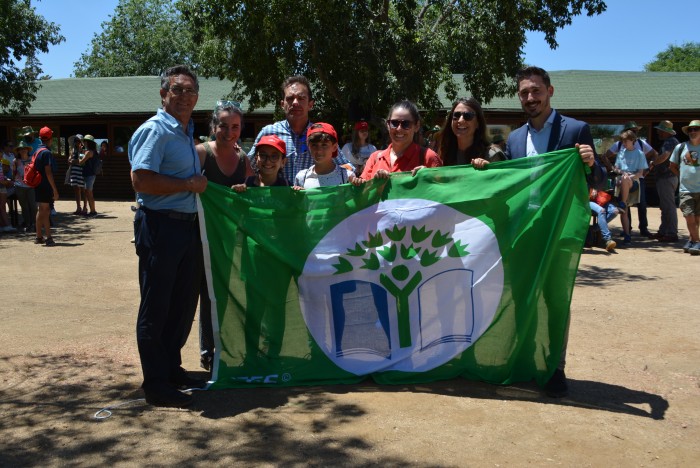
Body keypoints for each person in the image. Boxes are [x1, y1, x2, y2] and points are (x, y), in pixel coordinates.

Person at [505, 66, 604, 398]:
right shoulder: (515, 138)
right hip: (525, 229)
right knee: (522, 297)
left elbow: (598, 181)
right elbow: (507, 182)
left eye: (535, 91)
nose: (530, 98)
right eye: (524, 93)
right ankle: (526, 361)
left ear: (550, 91)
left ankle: (554, 368)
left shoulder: (576, 129)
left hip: (559, 230)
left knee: (556, 299)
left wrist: (592, 163)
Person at [128, 64, 208, 408]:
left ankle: (171, 367)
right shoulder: (156, 130)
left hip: (185, 227)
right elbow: (141, 181)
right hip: (160, 225)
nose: (184, 96)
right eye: (177, 90)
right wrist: (187, 185)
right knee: (157, 303)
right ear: (164, 94)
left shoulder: (184, 132)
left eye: (190, 91)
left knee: (182, 302)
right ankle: (156, 382)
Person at [195, 101, 253, 371]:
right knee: (207, 294)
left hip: (234, 238)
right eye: (223, 126)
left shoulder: (244, 159)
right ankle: (208, 351)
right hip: (203, 237)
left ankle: (230, 344)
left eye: (235, 127)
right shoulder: (202, 153)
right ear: (213, 127)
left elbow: (256, 192)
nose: (229, 132)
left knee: (231, 292)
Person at [247, 75, 353, 184]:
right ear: (282, 104)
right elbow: (248, 165)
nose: (295, 103)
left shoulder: (320, 134)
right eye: (290, 98)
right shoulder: (268, 132)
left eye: (301, 98)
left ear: (310, 104)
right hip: (278, 199)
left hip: (310, 199)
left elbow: (347, 167)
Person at [352, 100, 442, 185]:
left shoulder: (429, 158)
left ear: (416, 126)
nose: (399, 128)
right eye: (394, 123)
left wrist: (428, 177)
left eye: (406, 124)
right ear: (388, 125)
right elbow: (362, 196)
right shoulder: (375, 159)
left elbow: (443, 194)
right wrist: (371, 184)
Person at [604, 121, 657, 238]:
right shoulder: (619, 146)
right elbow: (606, 156)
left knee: (642, 204)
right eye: (632, 130)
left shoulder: (642, 145)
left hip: (638, 178)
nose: (634, 132)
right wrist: (611, 169)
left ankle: (643, 228)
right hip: (623, 177)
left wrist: (648, 169)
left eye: (635, 131)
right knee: (625, 204)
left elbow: (654, 154)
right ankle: (627, 229)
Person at [437, 97, 497, 169]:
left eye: (468, 115)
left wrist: (490, 168)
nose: (460, 120)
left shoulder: (492, 155)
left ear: (478, 123)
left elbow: (504, 178)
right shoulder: (444, 153)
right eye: (456, 115)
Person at [670, 120, 700, 256]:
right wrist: (682, 177)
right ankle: (697, 241)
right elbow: (672, 166)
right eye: (690, 130)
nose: (693, 132)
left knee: (697, 218)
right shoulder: (681, 147)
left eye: (696, 129)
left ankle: (691, 241)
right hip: (685, 189)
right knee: (689, 217)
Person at [613, 130, 648, 244]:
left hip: (634, 181)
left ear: (633, 140)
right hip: (622, 180)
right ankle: (627, 234)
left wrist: (629, 176)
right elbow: (616, 168)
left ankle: (622, 203)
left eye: (626, 141)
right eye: (623, 141)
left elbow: (640, 172)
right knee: (624, 210)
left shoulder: (639, 153)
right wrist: (622, 172)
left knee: (625, 179)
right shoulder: (621, 152)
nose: (624, 143)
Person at [295, 123, 355, 188]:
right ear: (308, 146)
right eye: (314, 145)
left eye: (324, 145)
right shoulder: (302, 177)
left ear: (334, 147)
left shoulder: (346, 176)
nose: (319, 150)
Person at [649, 120, 680, 242]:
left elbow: (665, 156)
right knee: (665, 206)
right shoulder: (671, 142)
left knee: (669, 206)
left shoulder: (670, 142)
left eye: (660, 130)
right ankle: (663, 231)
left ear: (666, 132)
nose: (658, 132)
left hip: (667, 178)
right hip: (666, 178)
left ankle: (671, 233)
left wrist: (653, 163)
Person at [33, 127, 59, 246]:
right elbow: (48, 172)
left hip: (38, 184)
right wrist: (54, 189)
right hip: (45, 185)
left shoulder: (37, 151)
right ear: (50, 138)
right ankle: (48, 238)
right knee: (46, 210)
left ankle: (39, 236)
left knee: (41, 210)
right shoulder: (46, 152)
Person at [12, 140, 37, 231]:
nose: (23, 150)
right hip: (19, 186)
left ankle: (35, 223)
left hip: (31, 186)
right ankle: (27, 223)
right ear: (18, 151)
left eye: (25, 148)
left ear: (28, 149)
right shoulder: (15, 161)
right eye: (21, 149)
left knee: (33, 206)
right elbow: (13, 174)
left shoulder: (32, 159)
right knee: (24, 206)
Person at [67, 134, 87, 215]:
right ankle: (78, 207)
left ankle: (85, 207)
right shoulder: (72, 149)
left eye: (78, 141)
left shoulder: (83, 150)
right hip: (74, 172)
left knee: (83, 190)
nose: (77, 142)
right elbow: (69, 159)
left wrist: (73, 161)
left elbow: (81, 160)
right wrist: (70, 160)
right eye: (75, 141)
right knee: (76, 190)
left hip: (81, 172)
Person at [80, 135, 99, 217]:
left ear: (87, 142)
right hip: (90, 175)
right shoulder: (93, 151)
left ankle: (93, 211)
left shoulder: (88, 152)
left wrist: (80, 154)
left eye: (84, 141)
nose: (83, 143)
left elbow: (81, 162)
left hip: (89, 175)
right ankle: (92, 211)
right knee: (88, 193)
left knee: (89, 193)